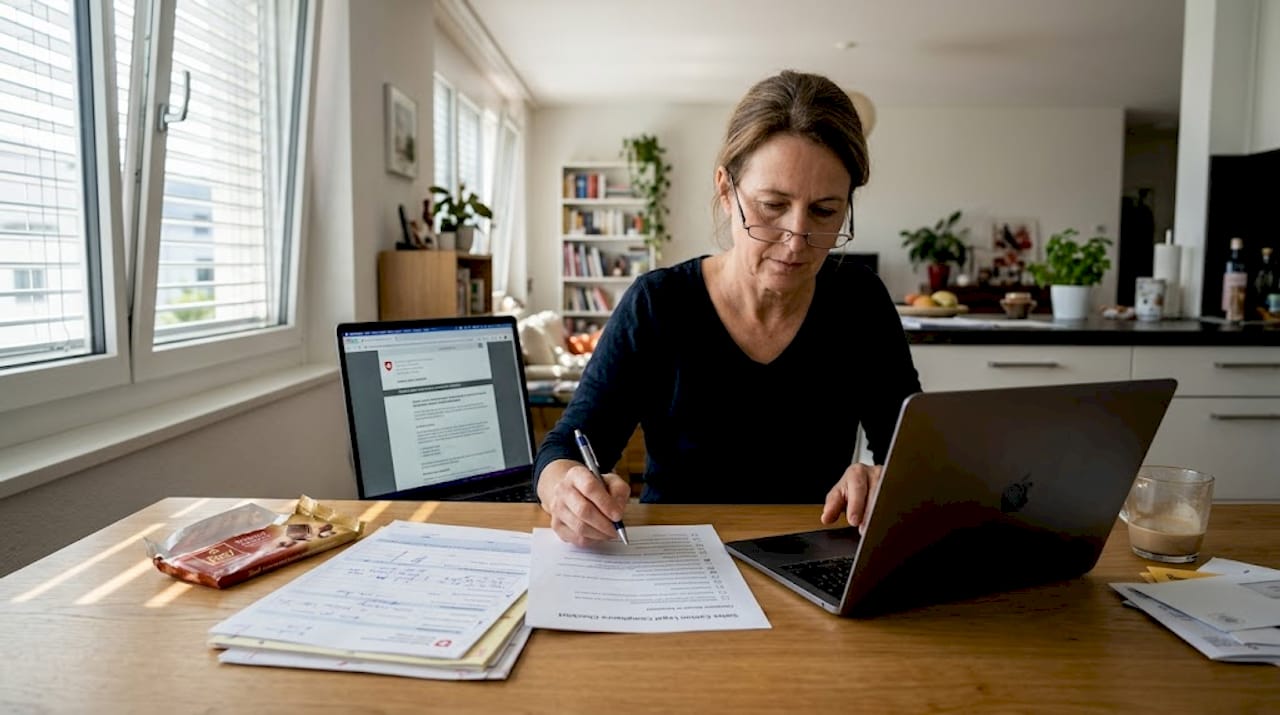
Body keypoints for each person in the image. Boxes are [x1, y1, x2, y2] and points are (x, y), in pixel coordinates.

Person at [534, 70, 922, 546]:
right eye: (772, 205)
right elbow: (567, 443)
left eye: (824, 212)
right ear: (725, 189)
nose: (796, 239)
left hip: (812, 557)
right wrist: (565, 488)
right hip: (677, 558)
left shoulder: (859, 301)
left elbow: (910, 454)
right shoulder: (658, 304)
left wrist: (882, 477)